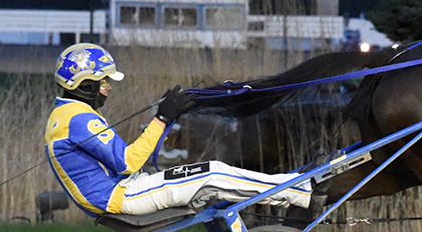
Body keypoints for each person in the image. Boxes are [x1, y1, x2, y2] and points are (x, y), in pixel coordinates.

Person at [44, 43, 312, 216]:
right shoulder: (78, 118)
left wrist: (169, 116)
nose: (109, 88)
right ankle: (298, 190)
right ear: (85, 84)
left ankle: (291, 187)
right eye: (104, 82)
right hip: (122, 196)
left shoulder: (66, 115)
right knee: (214, 172)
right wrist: (161, 118)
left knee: (213, 175)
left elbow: (138, 160)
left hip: (124, 190)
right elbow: (127, 162)